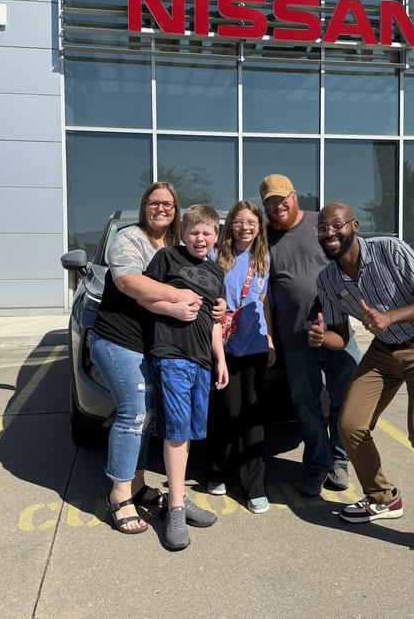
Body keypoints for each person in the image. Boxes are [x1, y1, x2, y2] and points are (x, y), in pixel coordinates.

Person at [309, 202, 414, 576]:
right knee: (350, 425)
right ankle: (383, 498)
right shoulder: (327, 279)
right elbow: (340, 336)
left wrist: (389, 316)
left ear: (354, 226)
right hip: (384, 352)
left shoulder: (390, 250)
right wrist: (321, 338)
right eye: (322, 230)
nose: (329, 234)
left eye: (336, 226)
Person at [91, 182, 224, 535]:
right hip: (119, 339)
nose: (161, 208)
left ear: (176, 210)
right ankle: (119, 495)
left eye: (168, 204)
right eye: (154, 202)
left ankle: (136, 485)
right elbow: (129, 283)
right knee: (133, 413)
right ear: (144, 206)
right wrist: (180, 297)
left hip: (154, 346)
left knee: (148, 415)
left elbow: (203, 286)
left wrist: (216, 304)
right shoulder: (129, 238)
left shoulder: (175, 247)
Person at [259, 174, 361, 497]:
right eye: (271, 203)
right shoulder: (263, 238)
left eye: (282, 199)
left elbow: (350, 262)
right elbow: (263, 293)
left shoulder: (322, 224)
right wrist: (270, 337)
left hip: (337, 329)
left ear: (294, 196)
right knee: (306, 404)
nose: (278, 206)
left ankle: (340, 460)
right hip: (294, 337)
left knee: (348, 396)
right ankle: (317, 465)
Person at [143, 204, 229, 551]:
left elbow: (215, 321)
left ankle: (176, 495)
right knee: (177, 430)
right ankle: (176, 509)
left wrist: (220, 359)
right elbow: (144, 297)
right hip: (172, 354)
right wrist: (172, 308)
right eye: (194, 232)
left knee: (190, 431)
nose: (200, 238)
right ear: (183, 234)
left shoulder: (216, 272)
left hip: (201, 361)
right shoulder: (167, 259)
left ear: (216, 236)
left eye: (207, 233)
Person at [206, 200, 276, 513]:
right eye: (239, 222)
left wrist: (270, 339)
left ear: (259, 227)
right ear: (230, 226)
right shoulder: (215, 256)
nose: (244, 227)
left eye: (251, 222)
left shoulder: (264, 258)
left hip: (256, 343)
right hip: (224, 345)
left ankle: (254, 486)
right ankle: (218, 470)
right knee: (228, 411)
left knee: (254, 415)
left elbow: (265, 301)